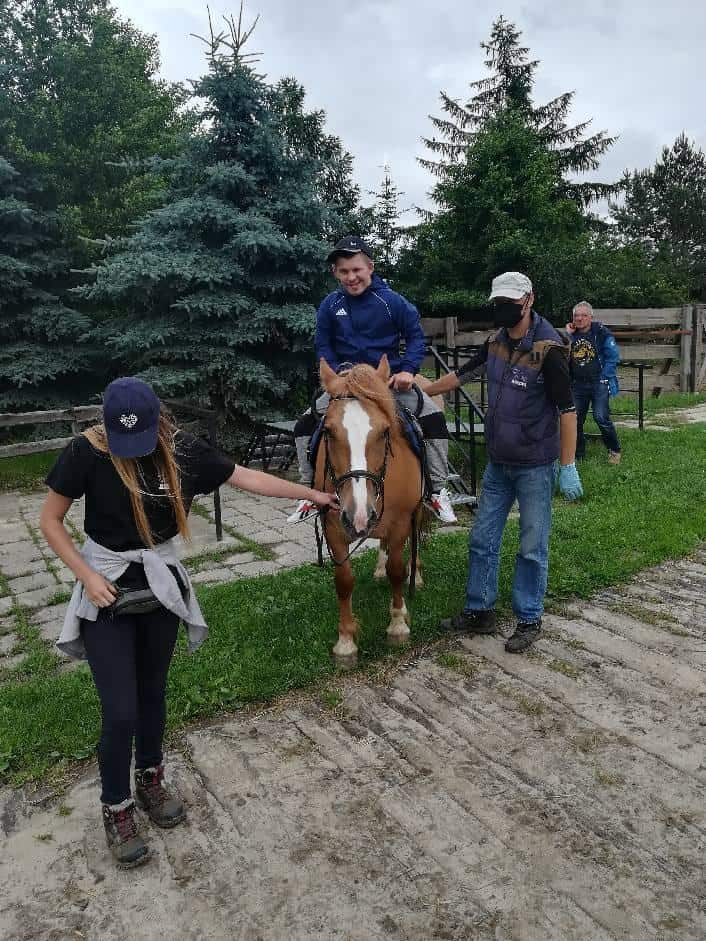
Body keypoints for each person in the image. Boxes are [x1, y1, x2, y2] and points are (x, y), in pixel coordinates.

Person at [39, 377, 337, 869]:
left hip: (158, 586)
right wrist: (86, 575)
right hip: (106, 585)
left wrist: (312, 495)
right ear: (108, 427)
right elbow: (50, 520)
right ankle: (116, 807)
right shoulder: (85, 452)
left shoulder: (181, 452)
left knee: (153, 694)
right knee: (120, 711)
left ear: (160, 422)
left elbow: (246, 477)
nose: (133, 451)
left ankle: (150, 779)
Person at [422, 272, 583, 653]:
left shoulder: (549, 349)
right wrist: (417, 389)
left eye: (510, 303)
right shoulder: (495, 342)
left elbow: (568, 410)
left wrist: (568, 464)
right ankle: (480, 610)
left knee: (531, 546)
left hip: (534, 465)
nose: (503, 310)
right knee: (482, 539)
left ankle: (529, 618)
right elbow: (459, 377)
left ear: (528, 300)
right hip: (498, 463)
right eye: (499, 303)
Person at [287, 235, 457, 525]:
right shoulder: (330, 304)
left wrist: (408, 370)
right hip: (345, 384)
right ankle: (310, 491)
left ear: (370, 267)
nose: (351, 277)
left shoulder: (392, 301)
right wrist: (335, 371)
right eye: (344, 271)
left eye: (357, 270)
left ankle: (436, 490)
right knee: (305, 423)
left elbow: (415, 337)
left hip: (386, 383)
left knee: (433, 419)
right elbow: (323, 344)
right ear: (335, 273)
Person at [566, 301, 622, 464]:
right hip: (577, 384)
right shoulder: (572, 335)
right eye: (576, 315)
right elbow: (563, 353)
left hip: (599, 382)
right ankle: (578, 453)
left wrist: (605, 377)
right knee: (575, 419)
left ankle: (614, 449)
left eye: (583, 315)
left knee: (601, 417)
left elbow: (613, 357)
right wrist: (568, 335)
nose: (579, 318)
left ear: (591, 317)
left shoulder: (602, 333)